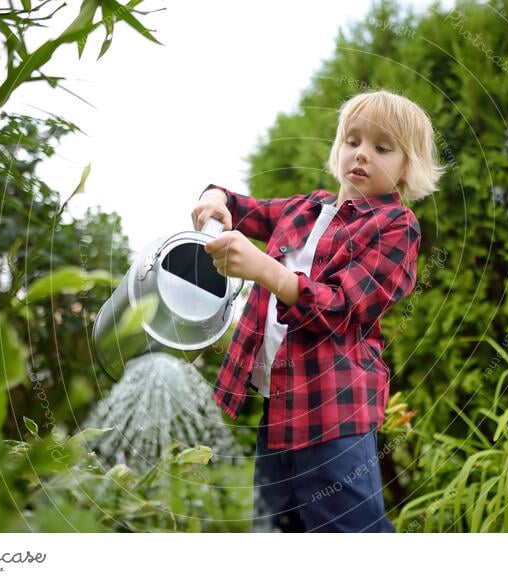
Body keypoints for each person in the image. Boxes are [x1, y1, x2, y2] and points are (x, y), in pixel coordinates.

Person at [190, 90, 443, 532]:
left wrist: (265, 269)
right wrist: (214, 199)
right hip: (279, 408)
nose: (361, 154)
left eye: (382, 148)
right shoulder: (304, 209)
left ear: (407, 169)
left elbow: (340, 307)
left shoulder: (394, 227)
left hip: (334, 415)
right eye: (353, 141)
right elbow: (238, 205)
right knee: (274, 530)